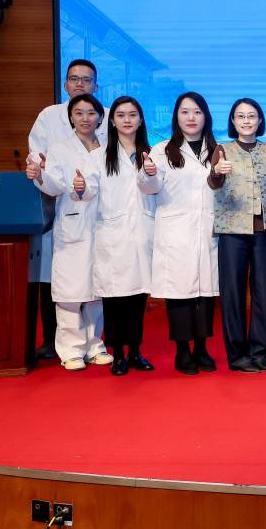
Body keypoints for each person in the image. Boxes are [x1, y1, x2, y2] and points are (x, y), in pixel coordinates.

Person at [27, 60, 106, 360]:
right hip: (69, 218)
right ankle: (70, 350)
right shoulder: (56, 137)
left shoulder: (107, 137)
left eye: (86, 80)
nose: (85, 118)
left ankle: (95, 345)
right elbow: (51, 179)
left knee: (98, 288)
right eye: (74, 79)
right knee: (69, 289)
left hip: (103, 220)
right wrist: (39, 174)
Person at [139, 92, 220, 376]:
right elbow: (148, 187)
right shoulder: (162, 150)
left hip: (207, 231)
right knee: (179, 295)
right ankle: (183, 351)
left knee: (206, 294)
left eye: (197, 112)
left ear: (205, 117)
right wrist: (149, 173)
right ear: (176, 117)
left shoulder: (217, 149)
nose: (191, 117)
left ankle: (202, 348)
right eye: (185, 112)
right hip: (176, 232)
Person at [211, 98, 266, 373]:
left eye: (252, 116)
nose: (246, 121)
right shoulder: (222, 150)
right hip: (233, 232)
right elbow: (213, 182)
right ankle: (237, 354)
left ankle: (260, 352)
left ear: (260, 120)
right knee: (233, 293)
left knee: (263, 292)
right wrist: (216, 172)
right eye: (240, 116)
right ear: (233, 121)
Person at [92, 96, 156, 376]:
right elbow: (87, 191)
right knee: (115, 299)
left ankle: (135, 352)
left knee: (138, 299)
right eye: (121, 115)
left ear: (140, 120)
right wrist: (79, 188)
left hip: (142, 233)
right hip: (113, 236)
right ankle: (117, 354)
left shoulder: (152, 154)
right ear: (112, 121)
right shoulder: (99, 157)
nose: (127, 120)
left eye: (132, 115)